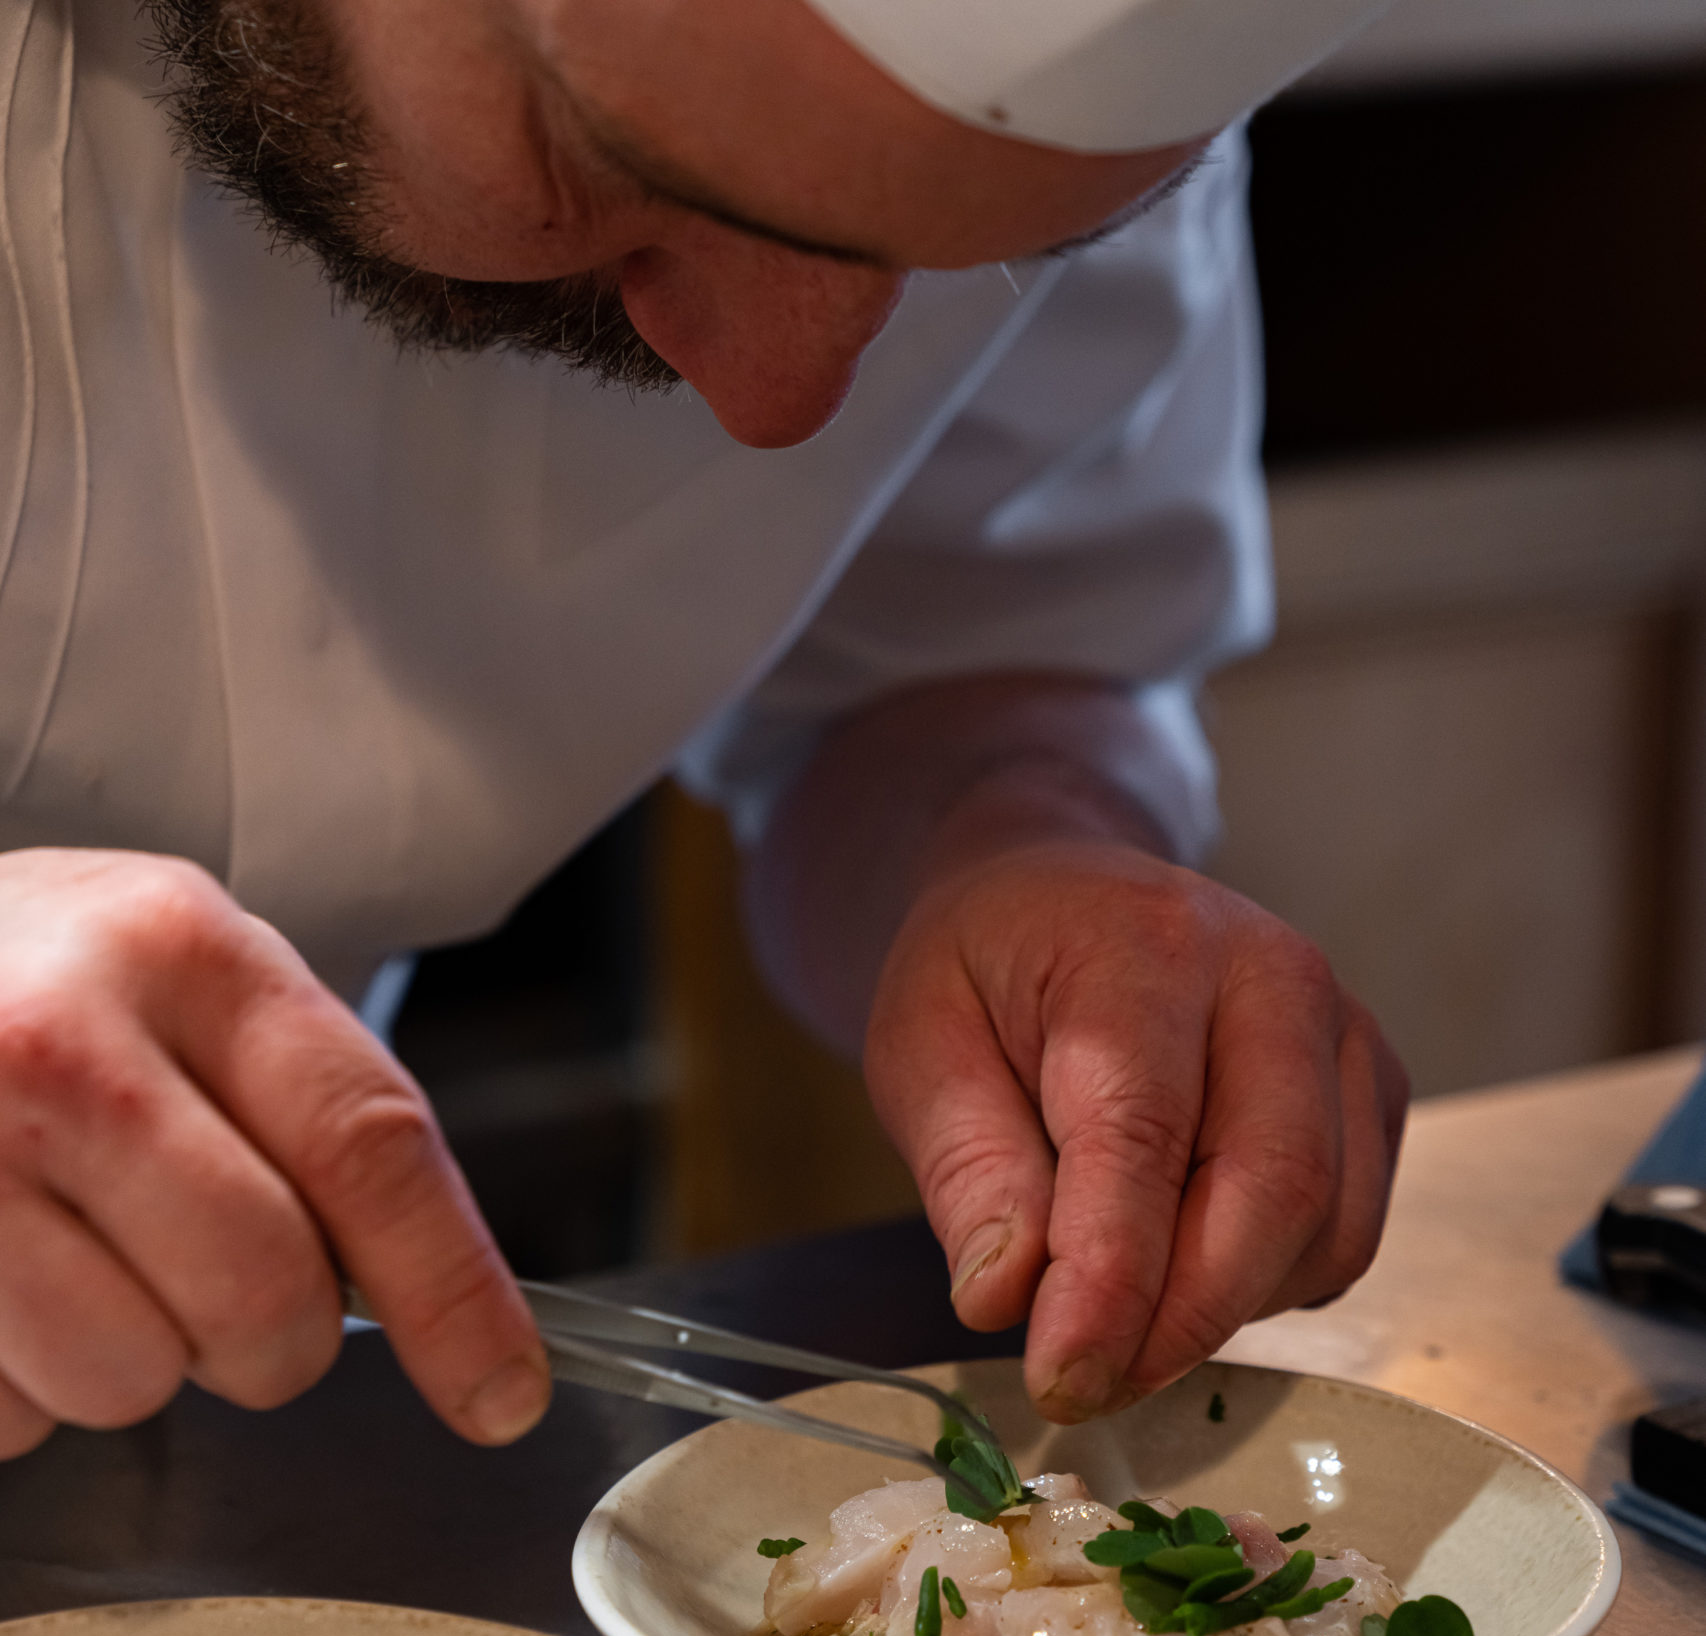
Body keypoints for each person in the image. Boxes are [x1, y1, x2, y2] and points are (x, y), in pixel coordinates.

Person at [0, 0, 1404, 1463]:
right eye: (609, 161)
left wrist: (1012, 834)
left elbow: (964, 649)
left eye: (954, 269)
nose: (780, 399)